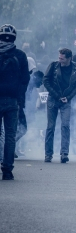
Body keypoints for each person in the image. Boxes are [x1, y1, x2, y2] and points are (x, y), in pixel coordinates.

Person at [0, 24, 29, 180]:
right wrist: (20, 98)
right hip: (12, 101)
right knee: (10, 136)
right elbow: (25, 79)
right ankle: (7, 169)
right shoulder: (20, 55)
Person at [42, 48, 76, 163]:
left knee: (65, 125)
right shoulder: (53, 65)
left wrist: (68, 98)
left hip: (66, 100)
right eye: (59, 57)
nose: (60, 60)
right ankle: (48, 154)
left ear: (69, 58)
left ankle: (64, 153)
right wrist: (55, 95)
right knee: (50, 126)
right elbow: (45, 80)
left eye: (62, 59)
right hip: (53, 99)